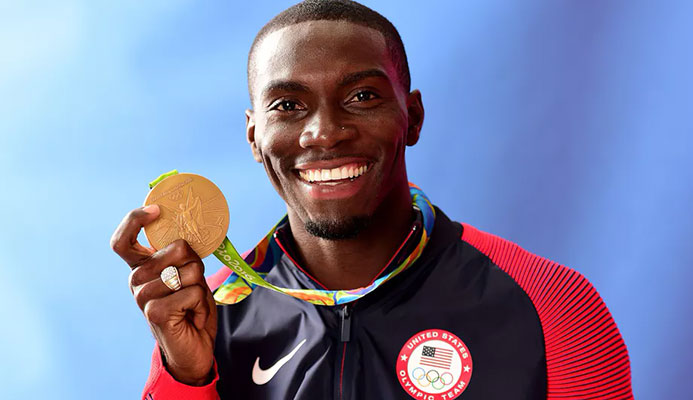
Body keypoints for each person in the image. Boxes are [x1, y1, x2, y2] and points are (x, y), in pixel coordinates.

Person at [111, 1, 633, 399]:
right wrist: (189, 378)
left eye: (361, 97)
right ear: (254, 138)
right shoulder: (209, 317)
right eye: (288, 105)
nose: (324, 133)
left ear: (413, 117)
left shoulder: (550, 304)